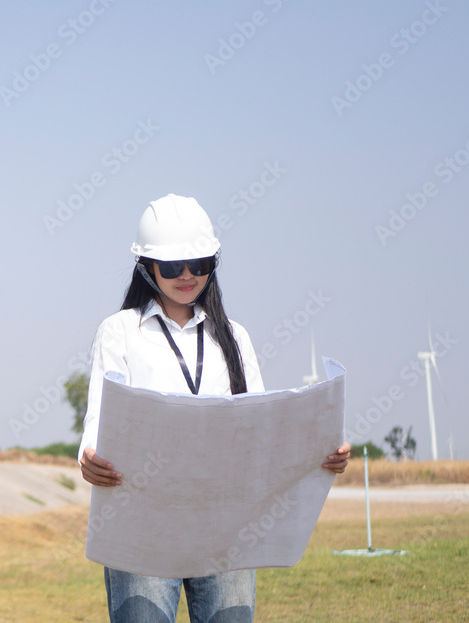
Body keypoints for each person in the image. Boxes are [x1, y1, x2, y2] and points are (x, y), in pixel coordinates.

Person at [78, 194, 350, 623]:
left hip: (230, 526)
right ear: (146, 267)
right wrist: (90, 459)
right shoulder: (120, 332)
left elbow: (265, 426)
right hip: (145, 522)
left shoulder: (235, 338)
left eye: (199, 263)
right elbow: (100, 418)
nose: (187, 276)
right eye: (172, 267)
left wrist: (320, 455)